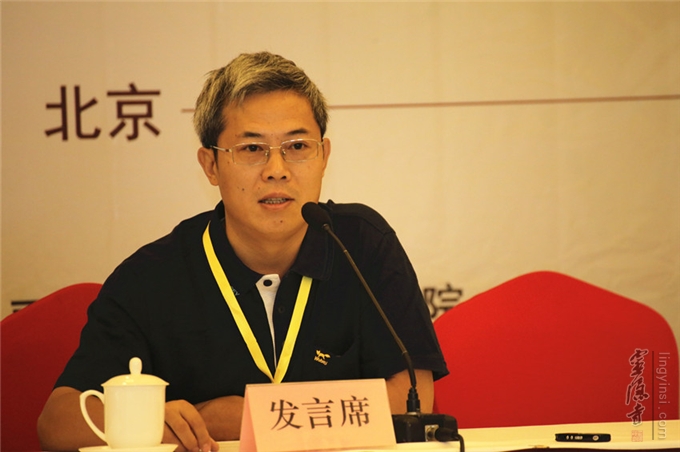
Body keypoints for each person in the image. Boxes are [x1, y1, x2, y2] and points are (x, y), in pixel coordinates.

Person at [38, 52, 448, 452]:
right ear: (210, 166)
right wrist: (157, 424)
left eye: (297, 146)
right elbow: (57, 422)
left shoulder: (362, 245)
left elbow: (411, 400)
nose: (277, 170)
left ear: (324, 155)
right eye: (252, 149)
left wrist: (254, 417)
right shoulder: (152, 277)